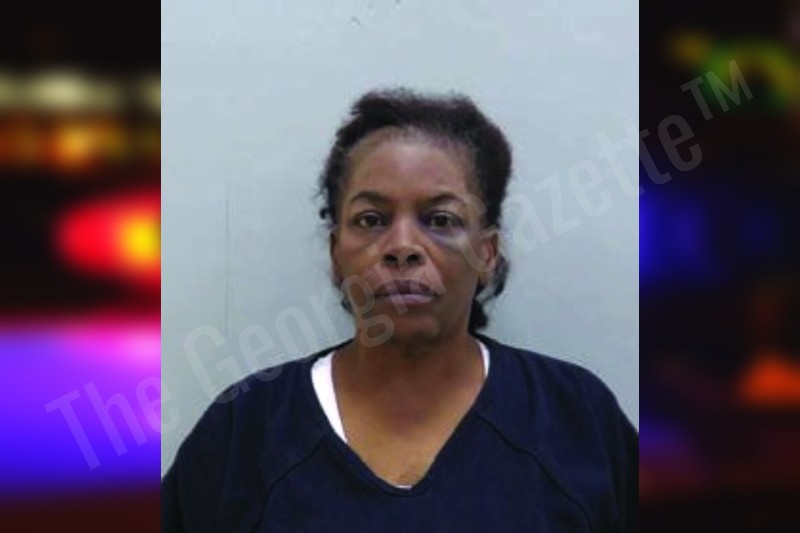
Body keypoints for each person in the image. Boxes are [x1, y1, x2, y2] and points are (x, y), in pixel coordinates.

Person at [161, 88, 638, 532]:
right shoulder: (243, 436)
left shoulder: (576, 422)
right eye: (371, 220)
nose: (402, 246)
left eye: (441, 219)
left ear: (487, 253)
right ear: (336, 253)